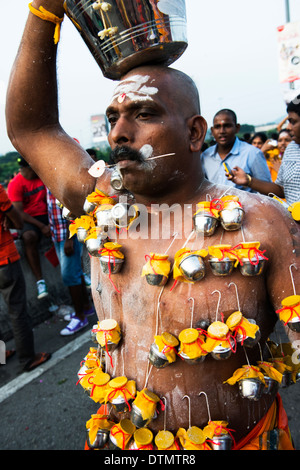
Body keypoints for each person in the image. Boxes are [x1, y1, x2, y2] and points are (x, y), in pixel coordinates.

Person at [5, 0, 300, 449]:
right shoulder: (101, 205)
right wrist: (45, 11)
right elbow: (31, 127)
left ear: (195, 133)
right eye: (113, 119)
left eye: (144, 114)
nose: (120, 133)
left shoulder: (263, 222)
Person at [0, 184, 51, 371]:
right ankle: (28, 358)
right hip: (4, 260)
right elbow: (19, 223)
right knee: (17, 311)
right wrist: (8, 217)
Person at [223, 96, 300, 206]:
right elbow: (282, 190)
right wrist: (248, 180)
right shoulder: (291, 149)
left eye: (293, 122)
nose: (288, 127)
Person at [46, 190, 94, 336]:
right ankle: (86, 307)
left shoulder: (55, 175)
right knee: (75, 273)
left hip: (67, 236)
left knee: (69, 276)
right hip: (58, 235)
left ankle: (80, 317)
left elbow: (71, 208)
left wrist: (69, 238)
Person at [7, 156, 51, 299]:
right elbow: (19, 212)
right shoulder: (15, 184)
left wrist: (51, 222)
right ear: (27, 168)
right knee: (28, 237)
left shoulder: (41, 177)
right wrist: (42, 226)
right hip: (30, 219)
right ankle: (40, 282)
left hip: (47, 213)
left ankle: (82, 273)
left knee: (66, 229)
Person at [201, 109, 272, 192]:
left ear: (237, 128)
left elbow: (269, 191)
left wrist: (249, 181)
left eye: (227, 126)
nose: (222, 131)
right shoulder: (206, 156)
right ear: (212, 131)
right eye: (217, 127)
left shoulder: (252, 153)